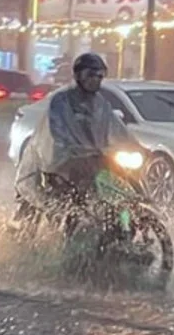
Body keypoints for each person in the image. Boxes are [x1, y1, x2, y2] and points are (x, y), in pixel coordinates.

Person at [15, 52, 135, 216]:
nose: (95, 79)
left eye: (99, 75)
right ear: (79, 75)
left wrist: (137, 147)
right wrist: (69, 148)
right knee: (71, 202)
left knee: (124, 184)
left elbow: (117, 128)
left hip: (93, 160)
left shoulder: (100, 104)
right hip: (62, 163)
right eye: (90, 75)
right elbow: (56, 128)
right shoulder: (62, 101)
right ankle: (67, 229)